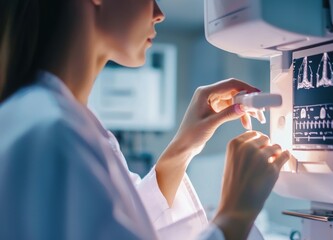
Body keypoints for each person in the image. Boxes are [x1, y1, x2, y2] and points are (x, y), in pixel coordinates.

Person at [0, 0, 290, 239]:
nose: (159, 13)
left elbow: (125, 226)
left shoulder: (60, 121)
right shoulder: (52, 132)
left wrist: (181, 149)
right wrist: (235, 214)